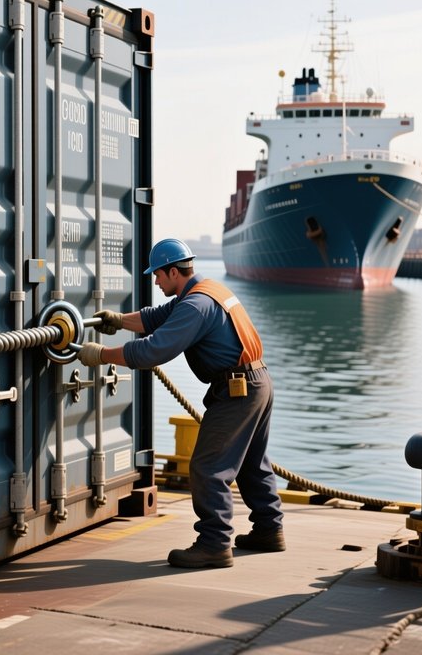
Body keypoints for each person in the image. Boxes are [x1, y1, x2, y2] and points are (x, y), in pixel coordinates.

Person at [79, 238, 284, 569]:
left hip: (237, 391)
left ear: (173, 271)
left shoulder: (194, 306)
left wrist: (101, 355)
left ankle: (214, 544)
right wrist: (118, 320)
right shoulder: (207, 291)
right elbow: (156, 318)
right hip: (257, 382)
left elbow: (152, 351)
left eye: (158, 276)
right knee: (251, 462)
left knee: (207, 467)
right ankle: (268, 529)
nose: (156, 282)